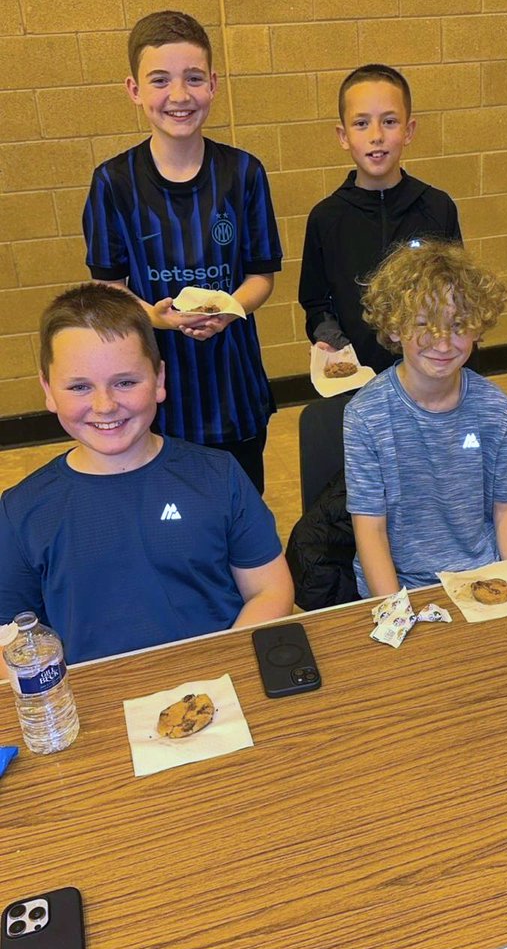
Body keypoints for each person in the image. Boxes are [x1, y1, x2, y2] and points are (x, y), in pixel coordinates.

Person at [0, 284, 294, 664]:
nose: (104, 405)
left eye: (125, 382)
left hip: (219, 685)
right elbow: (10, 635)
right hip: (96, 702)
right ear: (48, 389)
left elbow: (269, 591)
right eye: (79, 387)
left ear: (158, 380)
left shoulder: (218, 476)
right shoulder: (21, 509)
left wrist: (221, 666)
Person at [83, 10, 282, 494]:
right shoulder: (114, 183)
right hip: (153, 391)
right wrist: (155, 317)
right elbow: (110, 290)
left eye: (193, 78)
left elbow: (261, 277)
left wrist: (229, 310)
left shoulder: (244, 174)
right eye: (160, 80)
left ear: (213, 84)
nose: (179, 95)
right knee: (169, 515)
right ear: (134, 89)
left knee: (239, 508)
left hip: (233, 388)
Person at [343, 240, 507, 600]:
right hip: (402, 584)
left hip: (482, 571)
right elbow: (370, 530)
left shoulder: (495, 408)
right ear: (395, 327)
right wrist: (395, 607)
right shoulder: (365, 416)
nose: (443, 344)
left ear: (478, 328)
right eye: (423, 324)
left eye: (458, 324)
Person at [298, 64, 462, 375]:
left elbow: (457, 296)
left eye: (389, 122)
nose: (376, 136)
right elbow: (316, 304)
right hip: (359, 383)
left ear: (408, 131)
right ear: (343, 136)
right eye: (361, 124)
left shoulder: (438, 208)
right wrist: (332, 341)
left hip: (427, 380)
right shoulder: (326, 218)